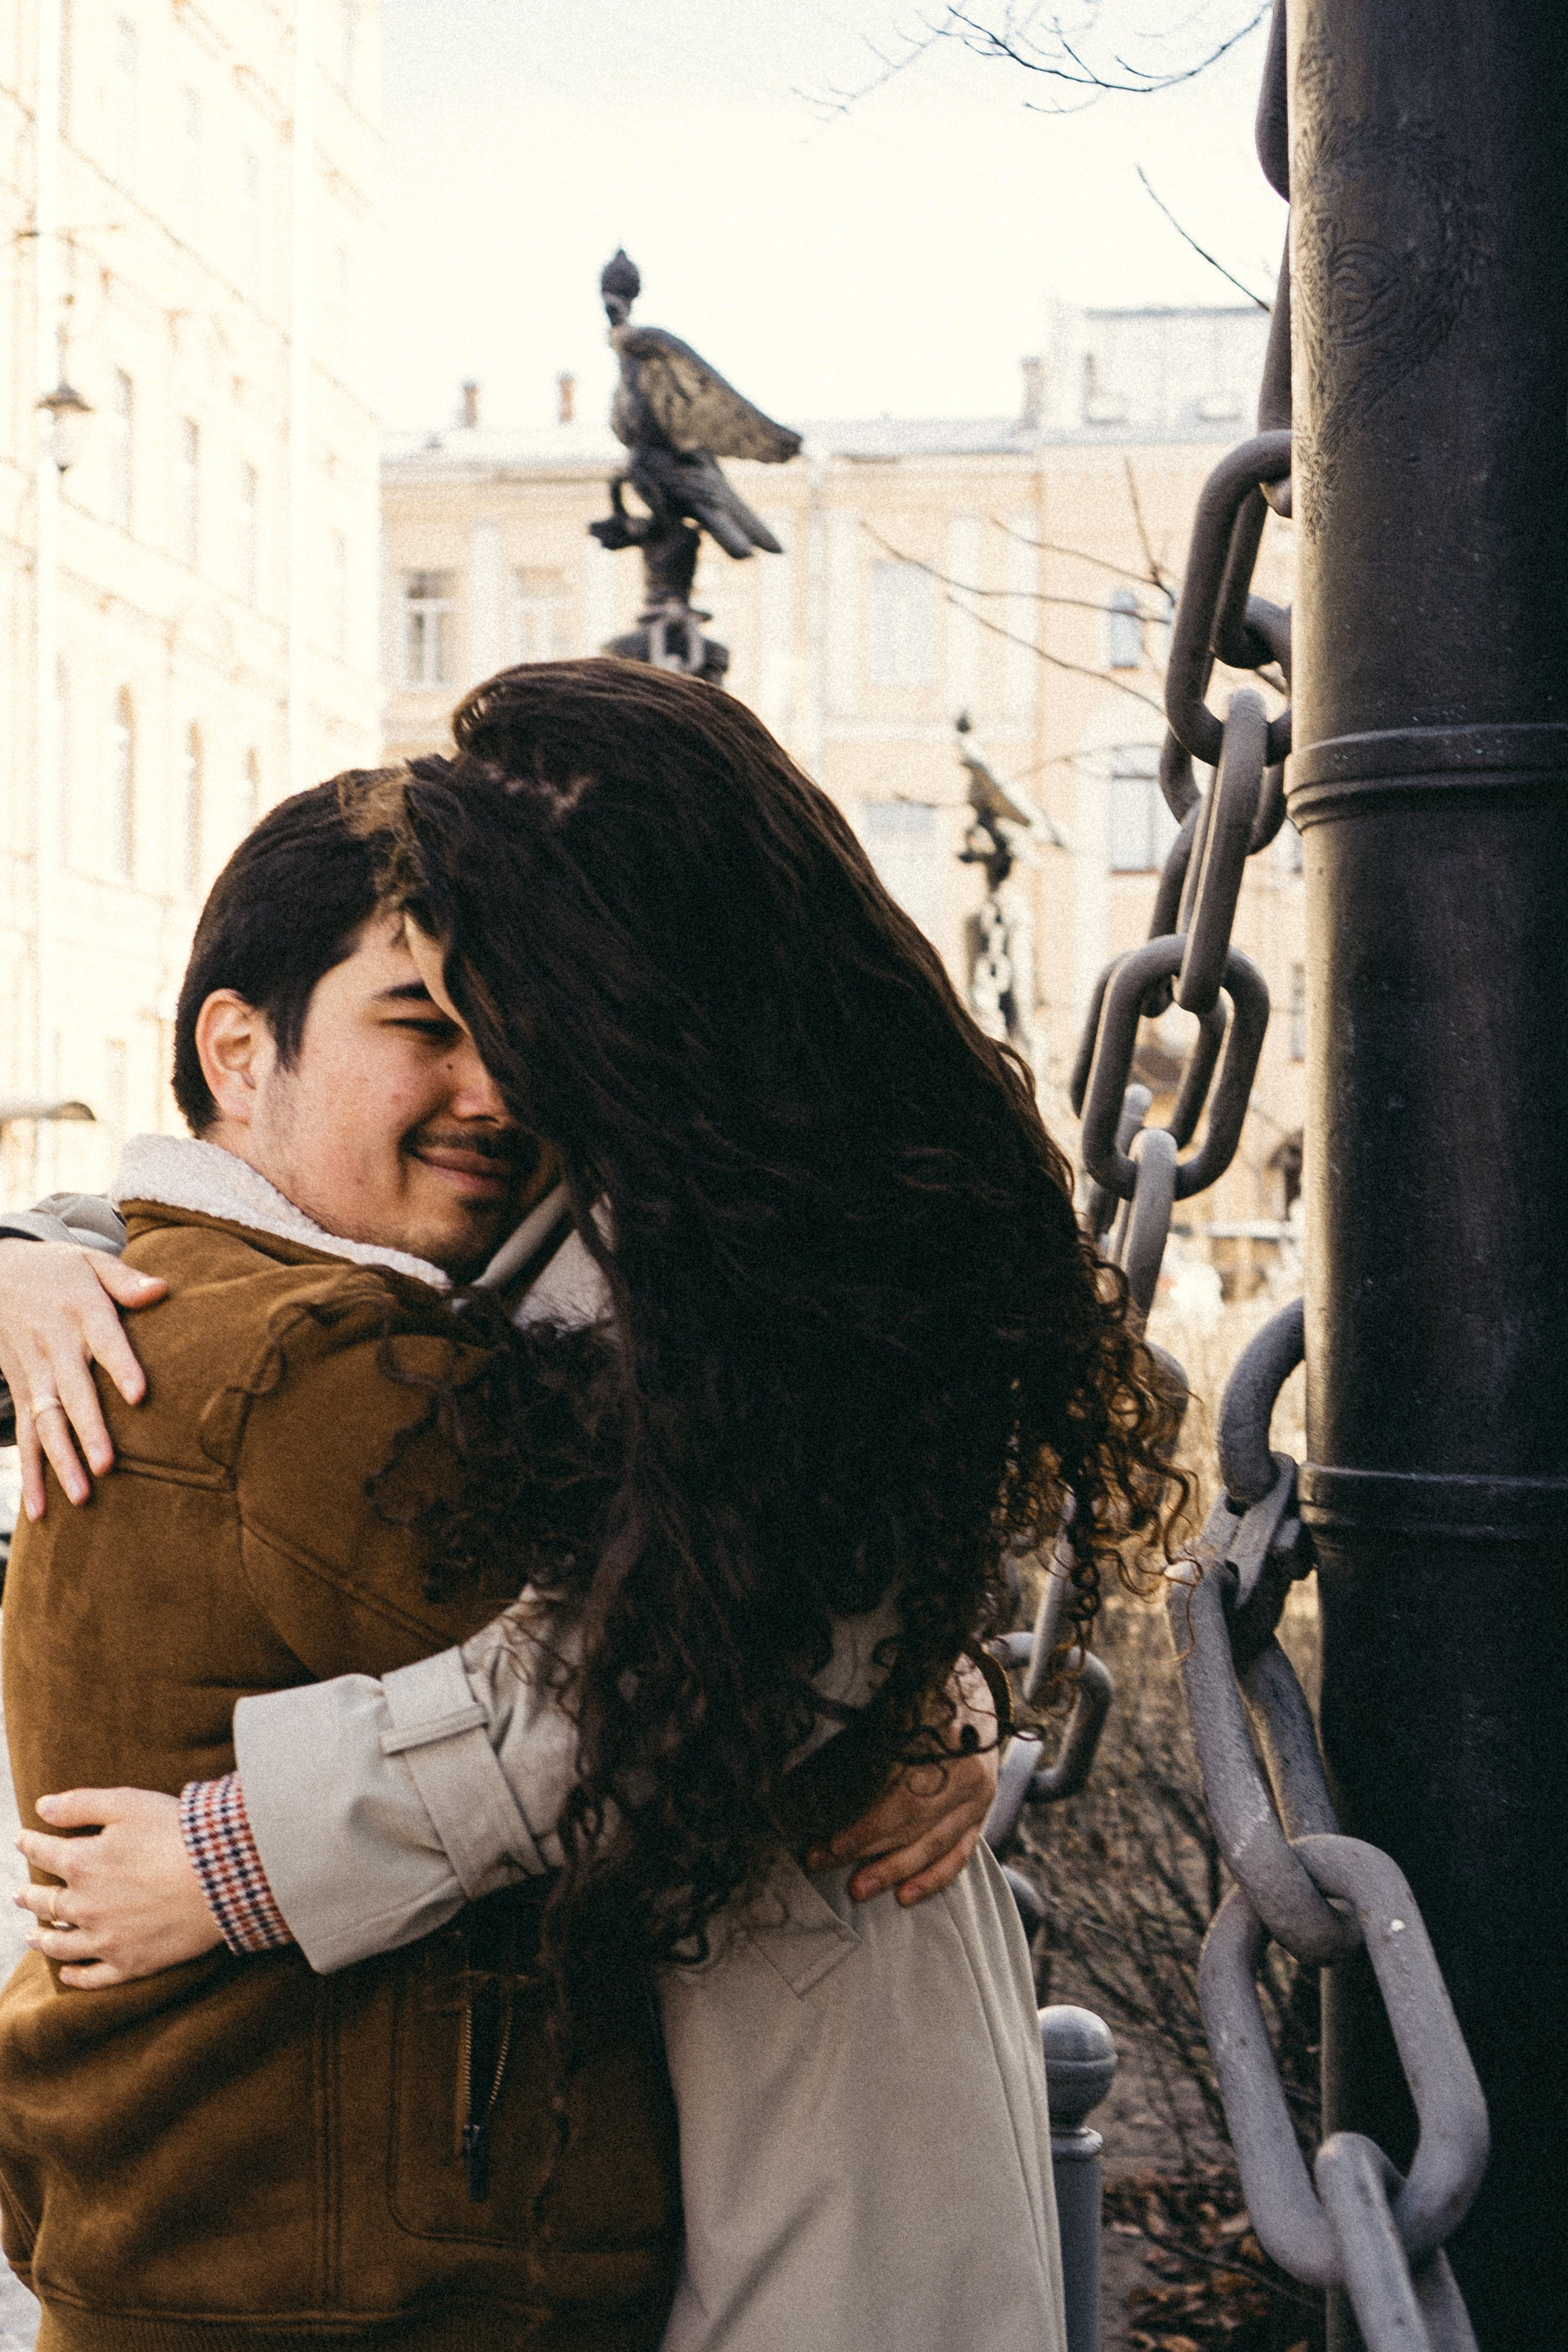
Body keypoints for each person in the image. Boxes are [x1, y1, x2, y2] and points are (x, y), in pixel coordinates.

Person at [2, 661, 1180, 2350]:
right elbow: (269, 1247)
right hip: (654, 2030)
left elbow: (650, 1670)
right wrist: (38, 1252)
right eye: (452, 1012)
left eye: (519, 989)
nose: (501, 1071)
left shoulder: (790, 1258)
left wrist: (247, 1857)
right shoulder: (644, 1184)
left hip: (806, 2013)